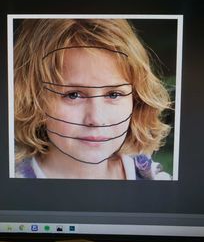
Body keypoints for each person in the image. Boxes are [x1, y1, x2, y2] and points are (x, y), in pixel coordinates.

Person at [14, 18, 172, 180]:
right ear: (34, 99)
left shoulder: (154, 180)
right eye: (73, 95)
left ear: (137, 100)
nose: (96, 119)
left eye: (113, 94)